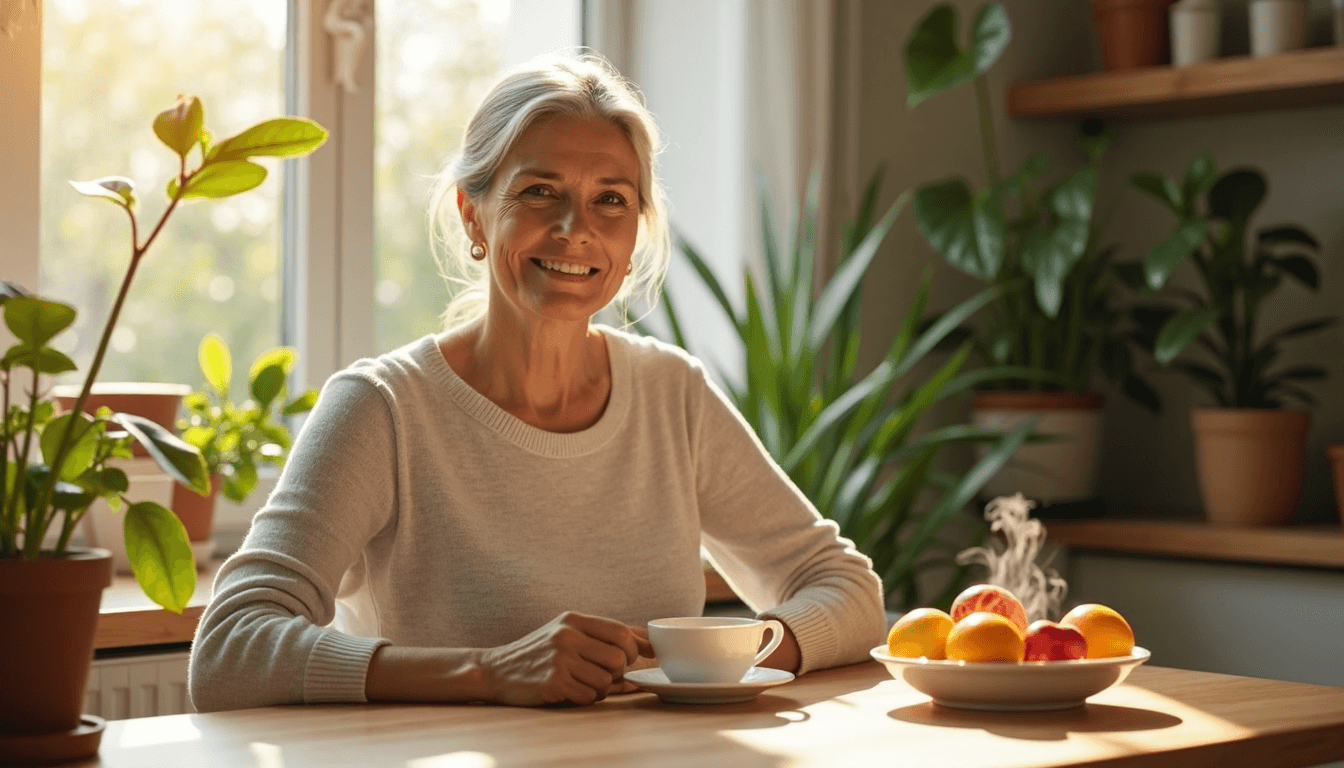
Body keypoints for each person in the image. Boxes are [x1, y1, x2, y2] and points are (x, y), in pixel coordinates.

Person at [188, 52, 887, 712]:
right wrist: (487, 672)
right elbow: (228, 651)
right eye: (539, 191)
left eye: (609, 200)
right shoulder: (384, 409)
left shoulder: (672, 395)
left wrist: (729, 653)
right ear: (474, 215)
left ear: (635, 230)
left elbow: (848, 590)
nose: (574, 228)